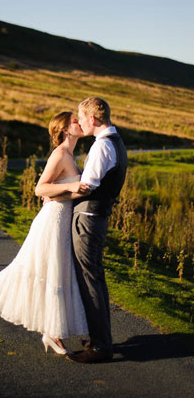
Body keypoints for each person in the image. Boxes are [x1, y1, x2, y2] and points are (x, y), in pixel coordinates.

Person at [0, 111, 91, 354]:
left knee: (55, 274)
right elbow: (40, 188)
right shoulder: (60, 154)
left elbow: (57, 193)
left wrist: (77, 193)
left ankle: (51, 333)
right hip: (52, 221)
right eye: (75, 121)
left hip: (62, 220)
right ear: (64, 129)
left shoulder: (71, 155)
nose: (80, 123)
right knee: (34, 269)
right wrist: (73, 185)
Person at [67, 97, 127, 364]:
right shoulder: (116, 142)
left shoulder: (103, 146)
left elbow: (87, 186)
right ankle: (99, 338)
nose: (78, 122)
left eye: (81, 117)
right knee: (95, 279)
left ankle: (101, 346)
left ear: (93, 119)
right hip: (96, 217)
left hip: (89, 218)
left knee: (90, 279)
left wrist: (54, 192)